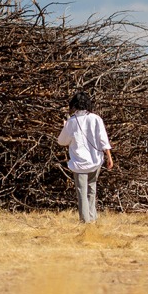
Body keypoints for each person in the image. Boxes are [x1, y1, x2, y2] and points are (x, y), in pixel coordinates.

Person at [56, 91, 114, 223]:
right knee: (92, 189)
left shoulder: (72, 121)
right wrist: (109, 157)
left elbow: (62, 141)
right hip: (96, 160)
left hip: (79, 162)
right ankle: (92, 218)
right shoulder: (95, 118)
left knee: (82, 191)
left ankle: (85, 221)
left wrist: (65, 127)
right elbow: (103, 139)